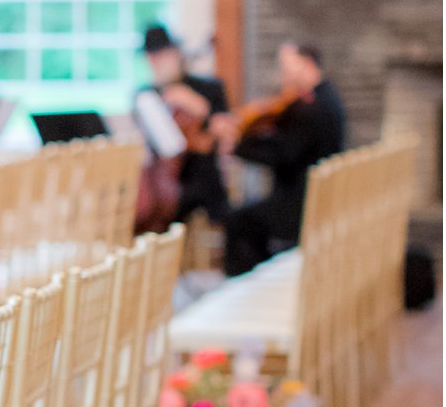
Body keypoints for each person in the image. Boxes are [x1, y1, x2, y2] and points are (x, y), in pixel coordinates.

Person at [216, 40, 347, 276]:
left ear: (306, 65)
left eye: (286, 69)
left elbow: (284, 155)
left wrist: (241, 146)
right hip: (310, 196)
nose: (282, 77)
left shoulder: (312, 107)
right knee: (245, 216)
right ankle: (262, 279)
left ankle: (251, 286)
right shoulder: (328, 97)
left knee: (237, 221)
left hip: (300, 204)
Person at [141, 23, 230, 224]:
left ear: (175, 53)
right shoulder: (146, 95)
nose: (156, 62)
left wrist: (198, 107)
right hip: (162, 180)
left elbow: (224, 133)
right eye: (151, 57)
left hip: (200, 176)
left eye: (161, 55)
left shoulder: (209, 89)